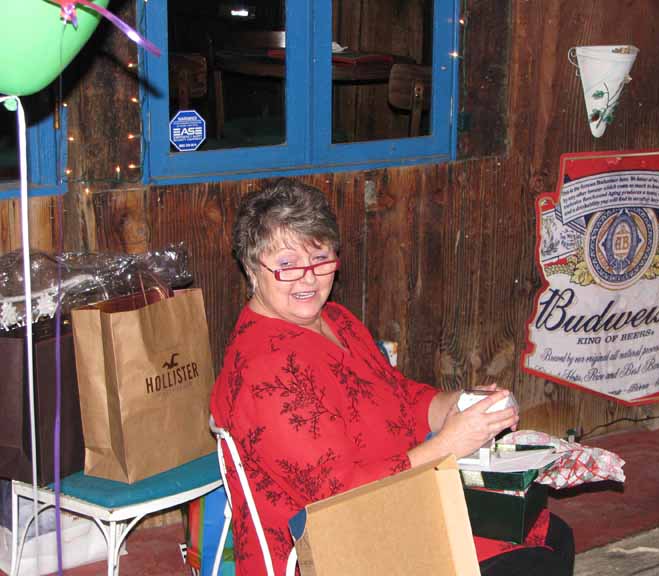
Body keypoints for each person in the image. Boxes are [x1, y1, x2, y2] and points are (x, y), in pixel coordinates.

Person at [209, 179, 574, 576]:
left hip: (400, 504)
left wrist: (458, 405)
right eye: (287, 265)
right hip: (340, 544)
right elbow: (337, 495)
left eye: (320, 258)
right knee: (530, 561)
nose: (308, 278)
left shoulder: (335, 320)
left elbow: (398, 396)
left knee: (550, 534)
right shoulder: (263, 371)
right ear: (252, 268)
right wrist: (448, 445)